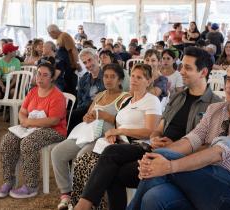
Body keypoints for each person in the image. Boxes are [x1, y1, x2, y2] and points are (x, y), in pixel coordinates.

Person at [127, 57, 230, 210]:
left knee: (161, 160)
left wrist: (168, 165)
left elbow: (218, 152)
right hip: (203, 179)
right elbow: (191, 140)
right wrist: (155, 159)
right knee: (154, 196)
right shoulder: (215, 109)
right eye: (228, 79)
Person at [72, 63, 162, 209]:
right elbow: (118, 123)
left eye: (139, 77)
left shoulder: (151, 100)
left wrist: (120, 132)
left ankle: (83, 205)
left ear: (149, 81)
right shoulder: (127, 100)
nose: (134, 80)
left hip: (141, 146)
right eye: (132, 76)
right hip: (121, 146)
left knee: (110, 153)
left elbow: (150, 132)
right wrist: (114, 135)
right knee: (86, 160)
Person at [51, 63, 129, 210]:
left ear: (120, 80)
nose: (108, 80)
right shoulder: (100, 95)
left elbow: (125, 122)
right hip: (87, 134)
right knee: (58, 152)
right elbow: (89, 115)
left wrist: (105, 116)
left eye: (113, 77)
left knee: (80, 157)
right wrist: (87, 117)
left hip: (105, 139)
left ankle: (81, 199)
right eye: (106, 76)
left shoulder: (124, 98)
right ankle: (66, 193)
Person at [0, 62, 67, 199]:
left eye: (45, 75)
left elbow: (54, 120)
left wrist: (28, 122)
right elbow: (23, 111)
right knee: (7, 140)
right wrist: (24, 120)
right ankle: (9, 180)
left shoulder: (57, 95)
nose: (40, 78)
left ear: (52, 78)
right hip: (31, 128)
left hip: (54, 130)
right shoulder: (33, 91)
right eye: (38, 74)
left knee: (28, 143)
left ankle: (31, 186)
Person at [68, 48, 105, 134]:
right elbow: (79, 100)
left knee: (70, 115)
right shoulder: (83, 79)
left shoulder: (106, 76)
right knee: (71, 114)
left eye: (90, 60)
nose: (88, 64)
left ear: (96, 58)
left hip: (98, 109)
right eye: (84, 62)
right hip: (83, 111)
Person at [47, 24, 79, 96]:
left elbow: (73, 50)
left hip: (70, 67)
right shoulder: (59, 38)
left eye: (49, 34)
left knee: (70, 90)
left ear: (53, 32)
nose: (50, 36)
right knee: (66, 89)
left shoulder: (64, 36)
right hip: (65, 68)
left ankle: (72, 106)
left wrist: (76, 65)